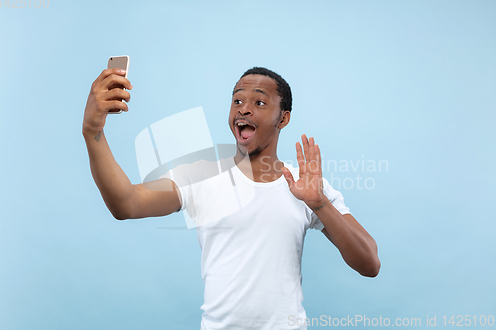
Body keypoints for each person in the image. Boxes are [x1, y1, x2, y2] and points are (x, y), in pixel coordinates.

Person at [82, 66, 381, 330]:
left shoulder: (307, 186)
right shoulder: (200, 175)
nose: (244, 109)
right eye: (237, 100)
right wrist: (93, 131)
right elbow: (127, 204)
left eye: (259, 102)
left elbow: (370, 263)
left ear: (283, 118)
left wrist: (319, 204)